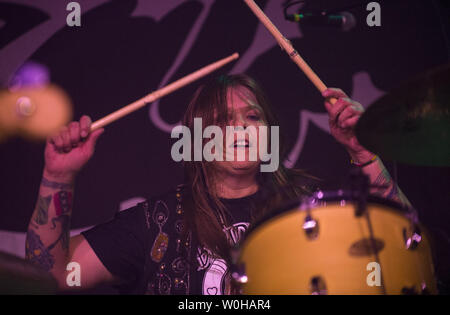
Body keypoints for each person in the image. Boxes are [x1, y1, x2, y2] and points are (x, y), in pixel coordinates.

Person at [25, 74, 411, 294]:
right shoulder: (152, 223)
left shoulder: (315, 205)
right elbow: (52, 276)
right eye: (223, 121)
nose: (241, 128)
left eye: (252, 117)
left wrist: (364, 152)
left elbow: (405, 258)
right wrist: (57, 177)